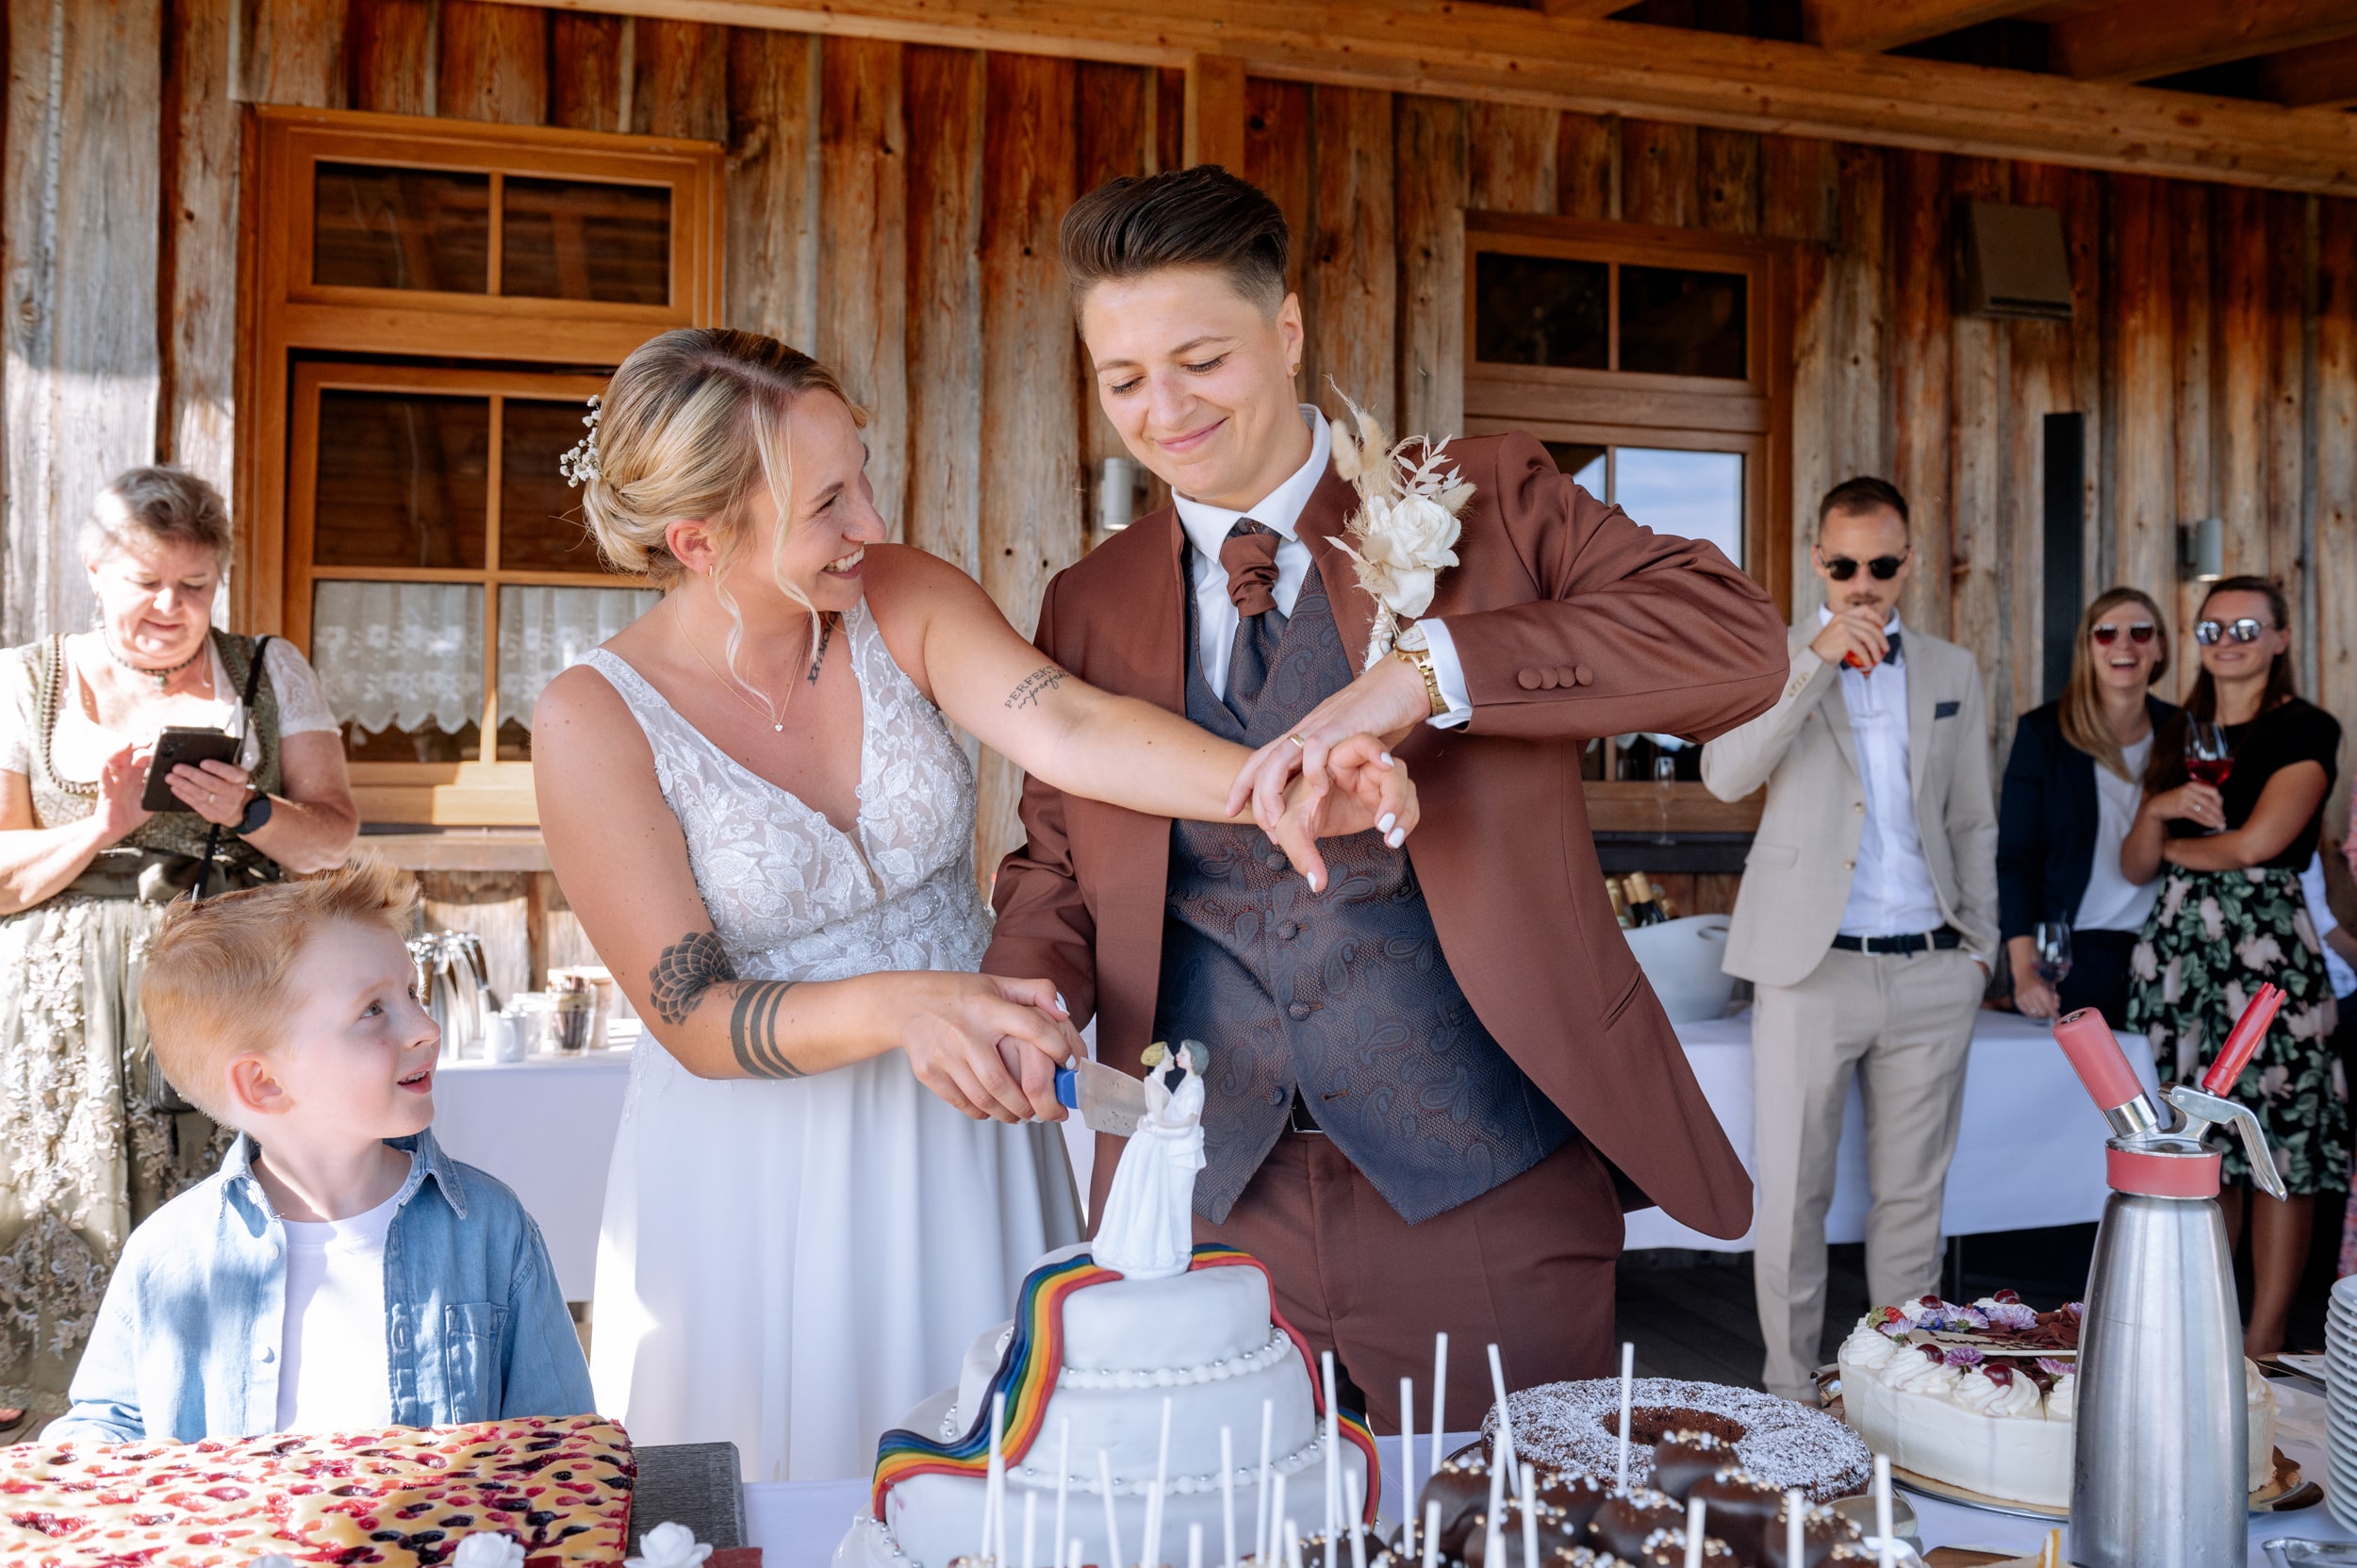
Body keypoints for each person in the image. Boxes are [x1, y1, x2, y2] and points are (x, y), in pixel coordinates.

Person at [984, 166, 1791, 1430]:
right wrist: (1031, 983)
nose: (1164, 408)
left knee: (1513, 1520)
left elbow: (1737, 641)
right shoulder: (1088, 600)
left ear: (1288, 330)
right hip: (1200, 1192)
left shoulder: (1477, 499)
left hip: (1485, 1183)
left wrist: (1431, 671)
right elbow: (1055, 858)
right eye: (1122, 376)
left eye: (1200, 358)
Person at [532, 328, 1415, 1480]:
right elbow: (693, 1013)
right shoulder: (592, 719)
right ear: (700, 541)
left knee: (1013, 1474)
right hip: (758, 1172)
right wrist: (910, 1008)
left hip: (968, 1126)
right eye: (827, 504)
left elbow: (1072, 725)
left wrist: (1283, 782)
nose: (871, 525)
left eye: (862, 475)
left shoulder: (896, 597)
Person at [0, 466, 357, 1437]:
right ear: (94, 568)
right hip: (59, 1022)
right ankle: (61, 1469)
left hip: (227, 998)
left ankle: (226, 1453)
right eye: (145, 581)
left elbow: (331, 838)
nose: (169, 606)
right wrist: (103, 823)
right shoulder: (25, 678)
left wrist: (247, 808)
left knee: (228, 1220)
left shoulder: (266, 669)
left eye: (193, 586)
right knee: (56, 1219)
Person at [46, 858, 590, 1444]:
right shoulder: (168, 1252)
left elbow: (559, 1441)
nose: (425, 1027)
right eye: (373, 1010)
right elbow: (111, 1423)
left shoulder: (489, 1227)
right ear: (265, 1084)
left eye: (412, 992)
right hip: (240, 1537)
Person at [1700, 476, 1999, 1403]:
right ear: (1814, 560)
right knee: (1790, 1199)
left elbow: (1973, 821)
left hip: (1928, 966)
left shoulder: (1950, 670)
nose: (1860, 584)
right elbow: (1724, 773)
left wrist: (1978, 946)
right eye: (1841, 565)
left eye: (1878, 564)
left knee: (1911, 1209)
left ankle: (1897, 1398)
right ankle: (1789, 1392)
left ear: (1906, 563)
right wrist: (1812, 661)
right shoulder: (1772, 655)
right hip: (1807, 968)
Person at [2123, 574, 2342, 1357]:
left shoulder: (2308, 728)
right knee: (2197, 1142)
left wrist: (2175, 846)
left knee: (2281, 1139)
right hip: (2183, 956)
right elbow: (2132, 862)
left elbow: (2257, 844)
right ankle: (2207, 1327)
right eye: (2212, 628)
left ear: (2281, 638)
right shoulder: (2177, 728)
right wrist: (2156, 811)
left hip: (2266, 953)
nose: (2229, 641)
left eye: (2247, 626)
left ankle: (2265, 1337)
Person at [1997, 588, 2179, 1025]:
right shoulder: (2044, 732)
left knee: (2165, 1088)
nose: (2123, 645)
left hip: (2168, 947)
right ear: (2087, 647)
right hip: (2074, 954)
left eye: (2140, 632)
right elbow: (2015, 859)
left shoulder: (2182, 730)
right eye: (2106, 634)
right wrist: (2024, 971)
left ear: (2159, 647)